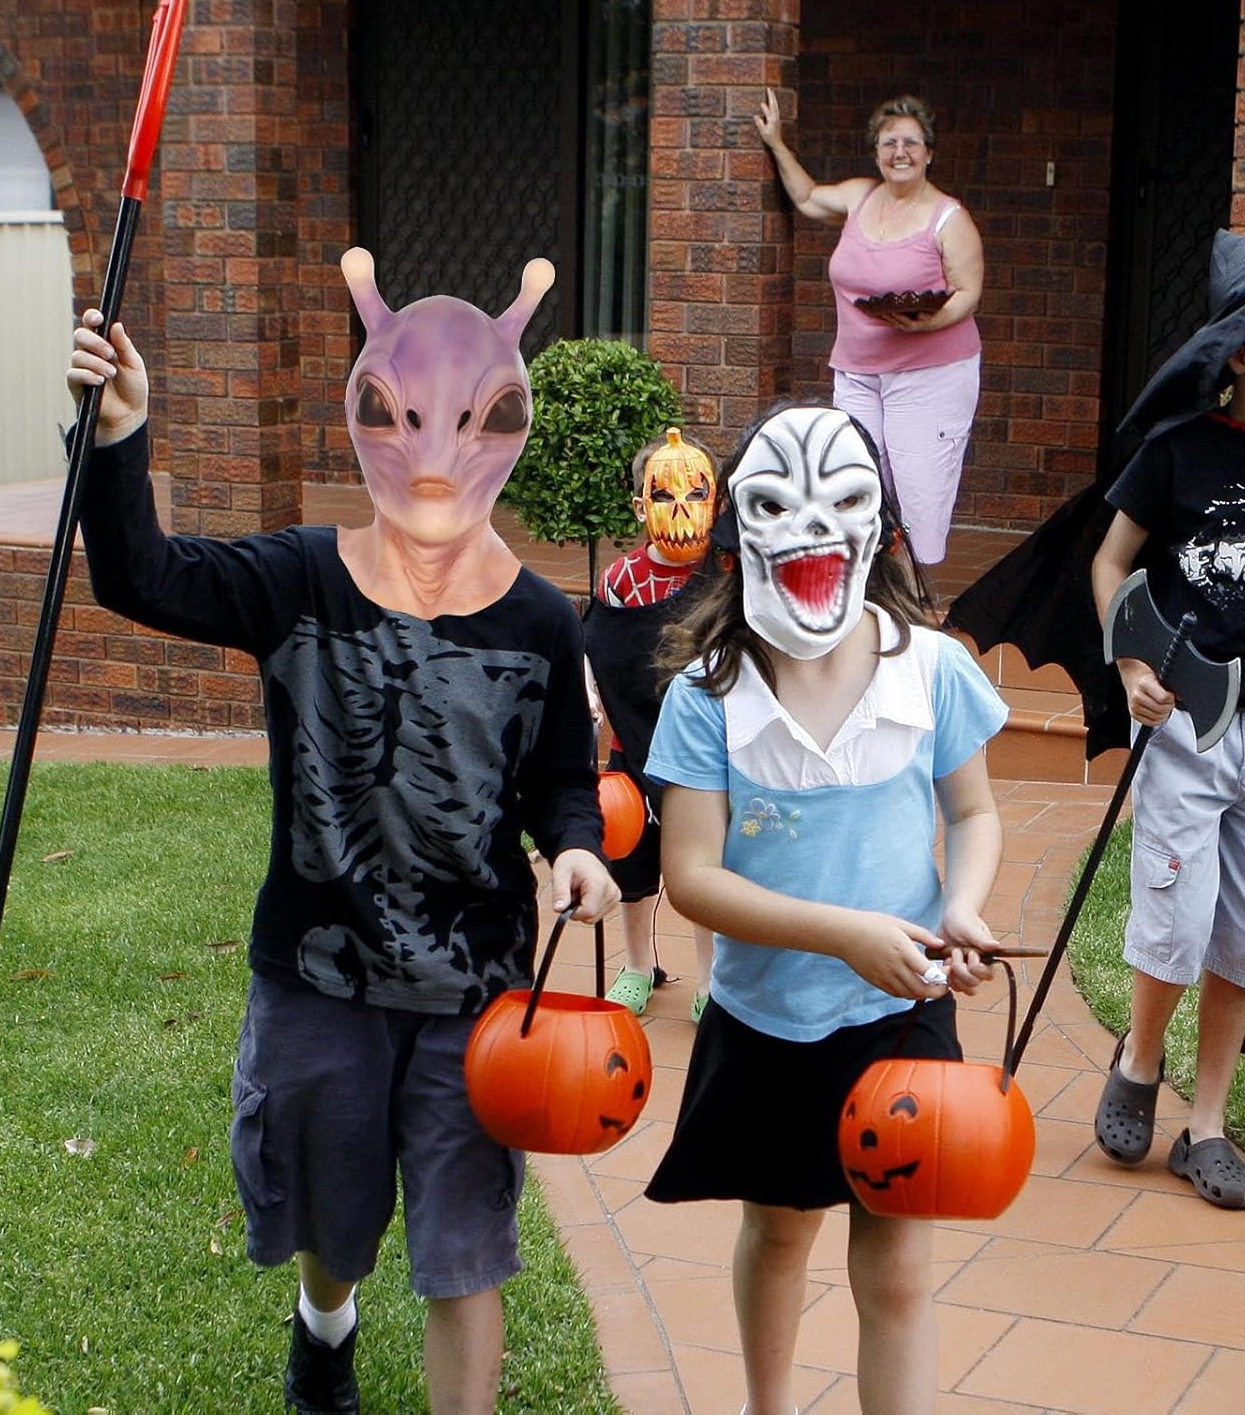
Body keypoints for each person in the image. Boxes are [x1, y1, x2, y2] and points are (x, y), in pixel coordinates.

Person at [67, 246, 619, 1415]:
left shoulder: (539, 619)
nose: (434, 460)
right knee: (335, 1222)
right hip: (319, 977)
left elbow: (564, 782)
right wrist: (119, 436)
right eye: (404, 422)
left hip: (477, 998)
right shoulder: (300, 578)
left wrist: (577, 846)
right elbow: (140, 578)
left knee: (467, 1253)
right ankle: (327, 1325)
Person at [641, 403, 1007, 1415]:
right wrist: (844, 935)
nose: (809, 526)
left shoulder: (931, 670)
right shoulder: (708, 697)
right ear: (736, 531)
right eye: (776, 504)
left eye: (841, 499)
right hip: (769, 1020)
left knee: (898, 1270)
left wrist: (963, 909)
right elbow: (691, 878)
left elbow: (973, 812)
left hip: (903, 1016)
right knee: (780, 1230)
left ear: (877, 527)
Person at [1089, 231, 1245, 1210]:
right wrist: (1130, 660)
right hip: (1188, 725)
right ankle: (1140, 1057)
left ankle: (1205, 1126)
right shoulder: (1178, 449)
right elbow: (1110, 562)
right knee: (1176, 919)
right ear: (1244, 353)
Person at [754, 89, 983, 567]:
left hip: (929, 377)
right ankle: (869, 589)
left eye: (911, 143)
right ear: (876, 152)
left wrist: (926, 322)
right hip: (857, 374)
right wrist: (775, 142)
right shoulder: (860, 196)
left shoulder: (948, 217)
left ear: (929, 153)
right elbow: (807, 196)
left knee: (917, 494)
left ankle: (914, 593)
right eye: (888, 143)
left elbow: (968, 292)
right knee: (855, 483)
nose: (900, 152)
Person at [585, 426, 718, 1020]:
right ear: (641, 505)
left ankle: (710, 979)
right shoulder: (620, 582)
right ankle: (637, 966)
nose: (681, 509)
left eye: (696, 494)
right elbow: (601, 654)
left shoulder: (725, 576)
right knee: (631, 862)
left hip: (705, 754)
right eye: (663, 495)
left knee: (704, 866)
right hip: (631, 746)